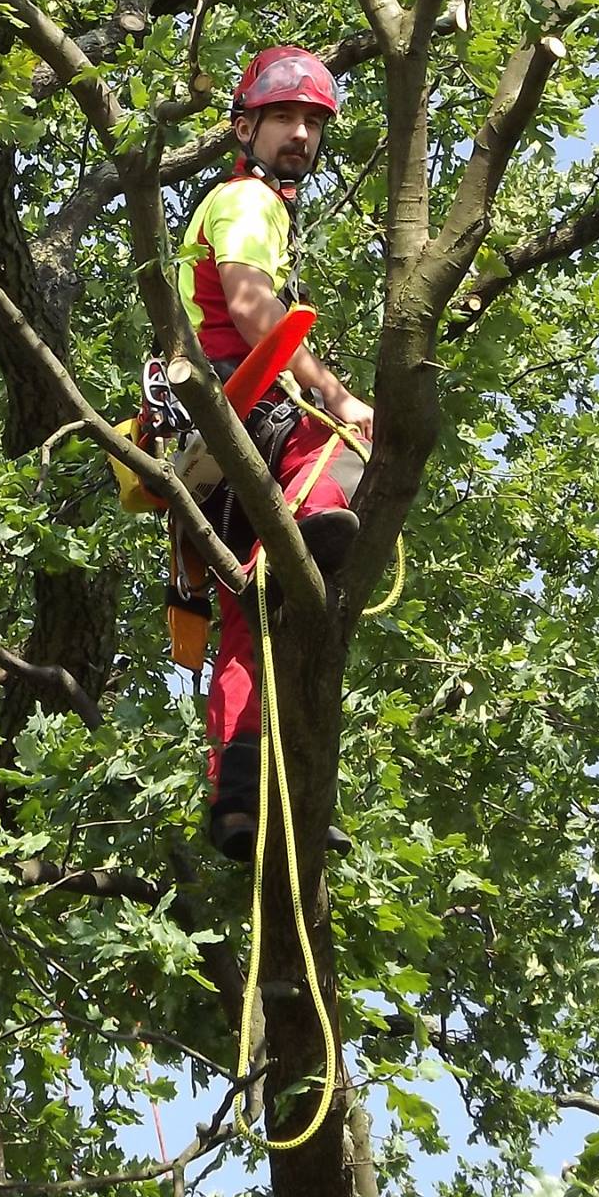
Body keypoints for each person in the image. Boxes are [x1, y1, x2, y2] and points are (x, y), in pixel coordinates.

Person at [177, 45, 374, 861]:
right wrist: (335, 394)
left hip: (208, 458)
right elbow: (257, 309)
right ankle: (306, 537)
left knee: (245, 630)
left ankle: (242, 799)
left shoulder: (243, 203)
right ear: (243, 126)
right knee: (358, 439)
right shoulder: (247, 201)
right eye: (283, 117)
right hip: (245, 413)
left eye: (311, 123)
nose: (299, 134)